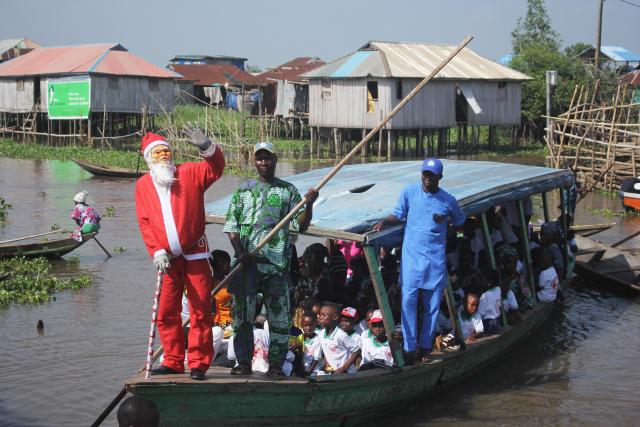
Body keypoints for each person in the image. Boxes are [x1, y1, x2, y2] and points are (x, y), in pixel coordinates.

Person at [135, 129, 225, 381]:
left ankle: (198, 363)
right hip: (167, 260)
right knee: (166, 312)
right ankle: (173, 361)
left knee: (199, 310)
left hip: (195, 254)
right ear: (149, 158)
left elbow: (216, 169)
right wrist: (155, 251)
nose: (164, 155)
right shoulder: (143, 185)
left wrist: (207, 147)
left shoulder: (189, 172)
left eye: (167, 151)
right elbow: (144, 221)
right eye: (158, 152)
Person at [224, 141, 319, 379]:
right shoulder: (243, 191)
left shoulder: (288, 191)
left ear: (275, 161)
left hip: (276, 266)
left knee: (279, 321)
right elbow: (231, 227)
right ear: (254, 161)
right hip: (247, 266)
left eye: (268, 158)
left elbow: (302, 224)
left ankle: (276, 366)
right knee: (242, 319)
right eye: (259, 158)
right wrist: (239, 252)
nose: (263, 162)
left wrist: (309, 204)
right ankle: (243, 363)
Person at [373, 158, 465, 364]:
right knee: (408, 304)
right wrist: (383, 222)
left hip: (434, 264)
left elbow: (460, 221)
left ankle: (425, 347)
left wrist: (446, 225)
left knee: (431, 307)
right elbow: (398, 214)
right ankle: (409, 347)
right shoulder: (409, 192)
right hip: (412, 262)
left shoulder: (448, 200)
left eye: (432, 175)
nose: (427, 178)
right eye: (425, 174)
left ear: (439, 177)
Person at [318, 303, 361, 374]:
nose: (320, 317)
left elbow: (356, 350)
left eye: (323, 315)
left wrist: (344, 368)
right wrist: (326, 364)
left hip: (346, 373)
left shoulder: (340, 335)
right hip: (332, 372)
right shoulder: (321, 334)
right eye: (320, 315)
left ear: (335, 317)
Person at [210, 250, 233, 327]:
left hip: (224, 323)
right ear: (221, 264)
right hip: (223, 323)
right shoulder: (230, 284)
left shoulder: (207, 282)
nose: (230, 266)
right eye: (228, 264)